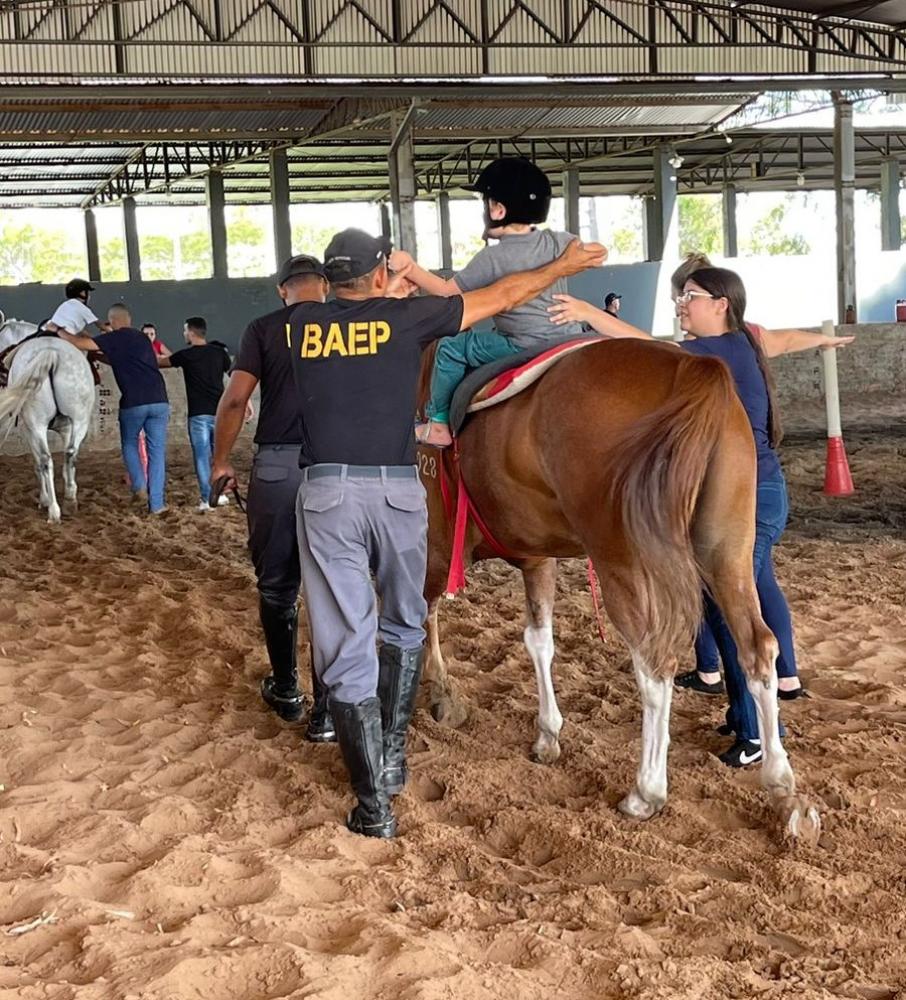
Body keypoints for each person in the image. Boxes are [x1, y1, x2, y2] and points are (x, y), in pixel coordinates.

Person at [284, 227, 605, 839]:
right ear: (382, 275)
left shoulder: (300, 324)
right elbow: (506, 294)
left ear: (328, 282)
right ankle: (396, 755)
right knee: (405, 621)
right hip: (399, 492)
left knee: (345, 639)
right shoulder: (408, 319)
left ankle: (373, 802)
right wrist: (561, 264)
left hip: (327, 493)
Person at [548, 269, 853, 764]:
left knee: (733, 605)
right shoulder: (747, 341)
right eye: (680, 297)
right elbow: (787, 338)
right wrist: (825, 338)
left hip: (742, 492)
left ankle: (755, 736)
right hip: (759, 490)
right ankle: (769, 689)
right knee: (748, 590)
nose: (681, 305)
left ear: (722, 304)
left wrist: (589, 314)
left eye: (690, 297)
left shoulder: (707, 356)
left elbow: (645, 345)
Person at [211, 254, 333, 736]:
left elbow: (236, 399)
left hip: (280, 465)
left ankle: (287, 690)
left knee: (277, 585)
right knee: (332, 589)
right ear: (323, 286)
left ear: (283, 290)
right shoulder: (351, 324)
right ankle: (327, 713)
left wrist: (221, 461)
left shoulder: (262, 329)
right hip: (338, 466)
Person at [389, 157, 588, 448]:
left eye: (486, 202)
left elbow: (447, 293)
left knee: (450, 349)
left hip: (520, 343)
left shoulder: (492, 258)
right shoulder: (559, 241)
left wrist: (411, 268)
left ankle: (439, 422)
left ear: (497, 210)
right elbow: (597, 251)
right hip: (568, 336)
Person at [59, 303, 170, 514]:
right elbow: (119, 360)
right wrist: (100, 356)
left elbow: (79, 342)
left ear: (114, 321)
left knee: (129, 443)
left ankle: (139, 486)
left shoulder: (115, 337)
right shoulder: (142, 339)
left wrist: (58, 329)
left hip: (134, 402)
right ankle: (157, 505)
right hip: (159, 400)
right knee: (157, 452)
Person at [158, 317, 231, 512]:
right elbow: (232, 374)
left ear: (191, 332)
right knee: (220, 455)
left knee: (201, 456)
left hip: (198, 414)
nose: (183, 334)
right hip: (221, 412)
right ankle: (221, 493)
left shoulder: (186, 355)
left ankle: (208, 498)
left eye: (184, 331)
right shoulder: (219, 354)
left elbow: (161, 363)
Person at [42, 279, 110, 336]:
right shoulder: (83, 308)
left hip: (49, 332)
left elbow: (81, 331)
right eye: (88, 293)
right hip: (65, 335)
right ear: (82, 293)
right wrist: (111, 332)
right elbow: (99, 324)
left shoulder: (65, 304)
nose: (89, 296)